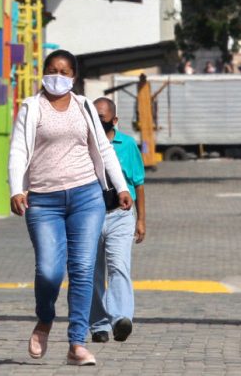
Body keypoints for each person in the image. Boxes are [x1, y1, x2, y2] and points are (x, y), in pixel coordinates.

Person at [8, 49, 133, 366]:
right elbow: (18, 151)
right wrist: (16, 190)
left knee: (82, 270)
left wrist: (120, 187)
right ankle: (45, 318)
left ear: (73, 77)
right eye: (52, 70)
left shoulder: (85, 106)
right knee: (49, 271)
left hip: (86, 197)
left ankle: (77, 343)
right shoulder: (31, 107)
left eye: (64, 72)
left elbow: (103, 150)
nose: (57, 76)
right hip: (43, 200)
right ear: (43, 73)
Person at [89, 98, 146, 343]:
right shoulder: (83, 143)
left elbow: (139, 183)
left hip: (120, 215)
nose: (98, 123)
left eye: (102, 118)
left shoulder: (128, 145)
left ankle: (121, 319)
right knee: (92, 271)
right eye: (94, 117)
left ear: (114, 120)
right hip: (89, 216)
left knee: (119, 266)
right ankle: (98, 325)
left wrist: (141, 219)